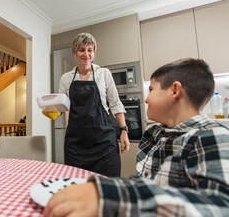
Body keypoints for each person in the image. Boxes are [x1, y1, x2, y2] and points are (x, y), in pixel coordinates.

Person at [44, 58, 229, 217]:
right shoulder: (155, 134)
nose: (146, 99)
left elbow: (221, 206)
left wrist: (110, 196)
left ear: (175, 91)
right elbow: (148, 185)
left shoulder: (213, 136)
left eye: (151, 89)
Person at [58, 33, 130, 177]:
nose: (86, 54)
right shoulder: (66, 78)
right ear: (74, 53)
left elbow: (115, 103)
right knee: (78, 186)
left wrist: (124, 130)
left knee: (107, 186)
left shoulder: (103, 74)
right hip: (76, 144)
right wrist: (51, 109)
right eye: (81, 50)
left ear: (94, 53)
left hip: (104, 143)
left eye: (90, 50)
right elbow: (62, 107)